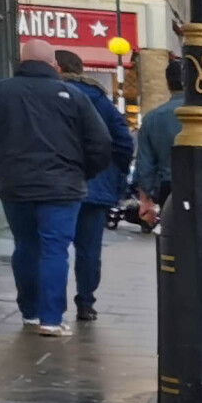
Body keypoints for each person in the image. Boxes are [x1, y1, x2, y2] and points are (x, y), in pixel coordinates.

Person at [0, 46, 115, 336]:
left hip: (15, 185)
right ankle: (52, 319)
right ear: (54, 64)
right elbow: (101, 143)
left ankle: (30, 312)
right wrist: (82, 172)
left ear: (21, 60)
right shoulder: (74, 97)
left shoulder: (3, 92)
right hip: (62, 187)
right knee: (55, 250)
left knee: (25, 246)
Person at [53, 49, 133, 323]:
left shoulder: (51, 97)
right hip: (96, 185)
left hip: (57, 183)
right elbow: (123, 141)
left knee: (54, 246)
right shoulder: (100, 99)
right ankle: (85, 303)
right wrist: (115, 174)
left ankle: (52, 306)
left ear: (58, 68)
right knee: (89, 249)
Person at [131, 55, 185, 219]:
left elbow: (145, 163)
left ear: (168, 83)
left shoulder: (153, 118)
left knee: (174, 236)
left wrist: (147, 197)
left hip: (168, 188)